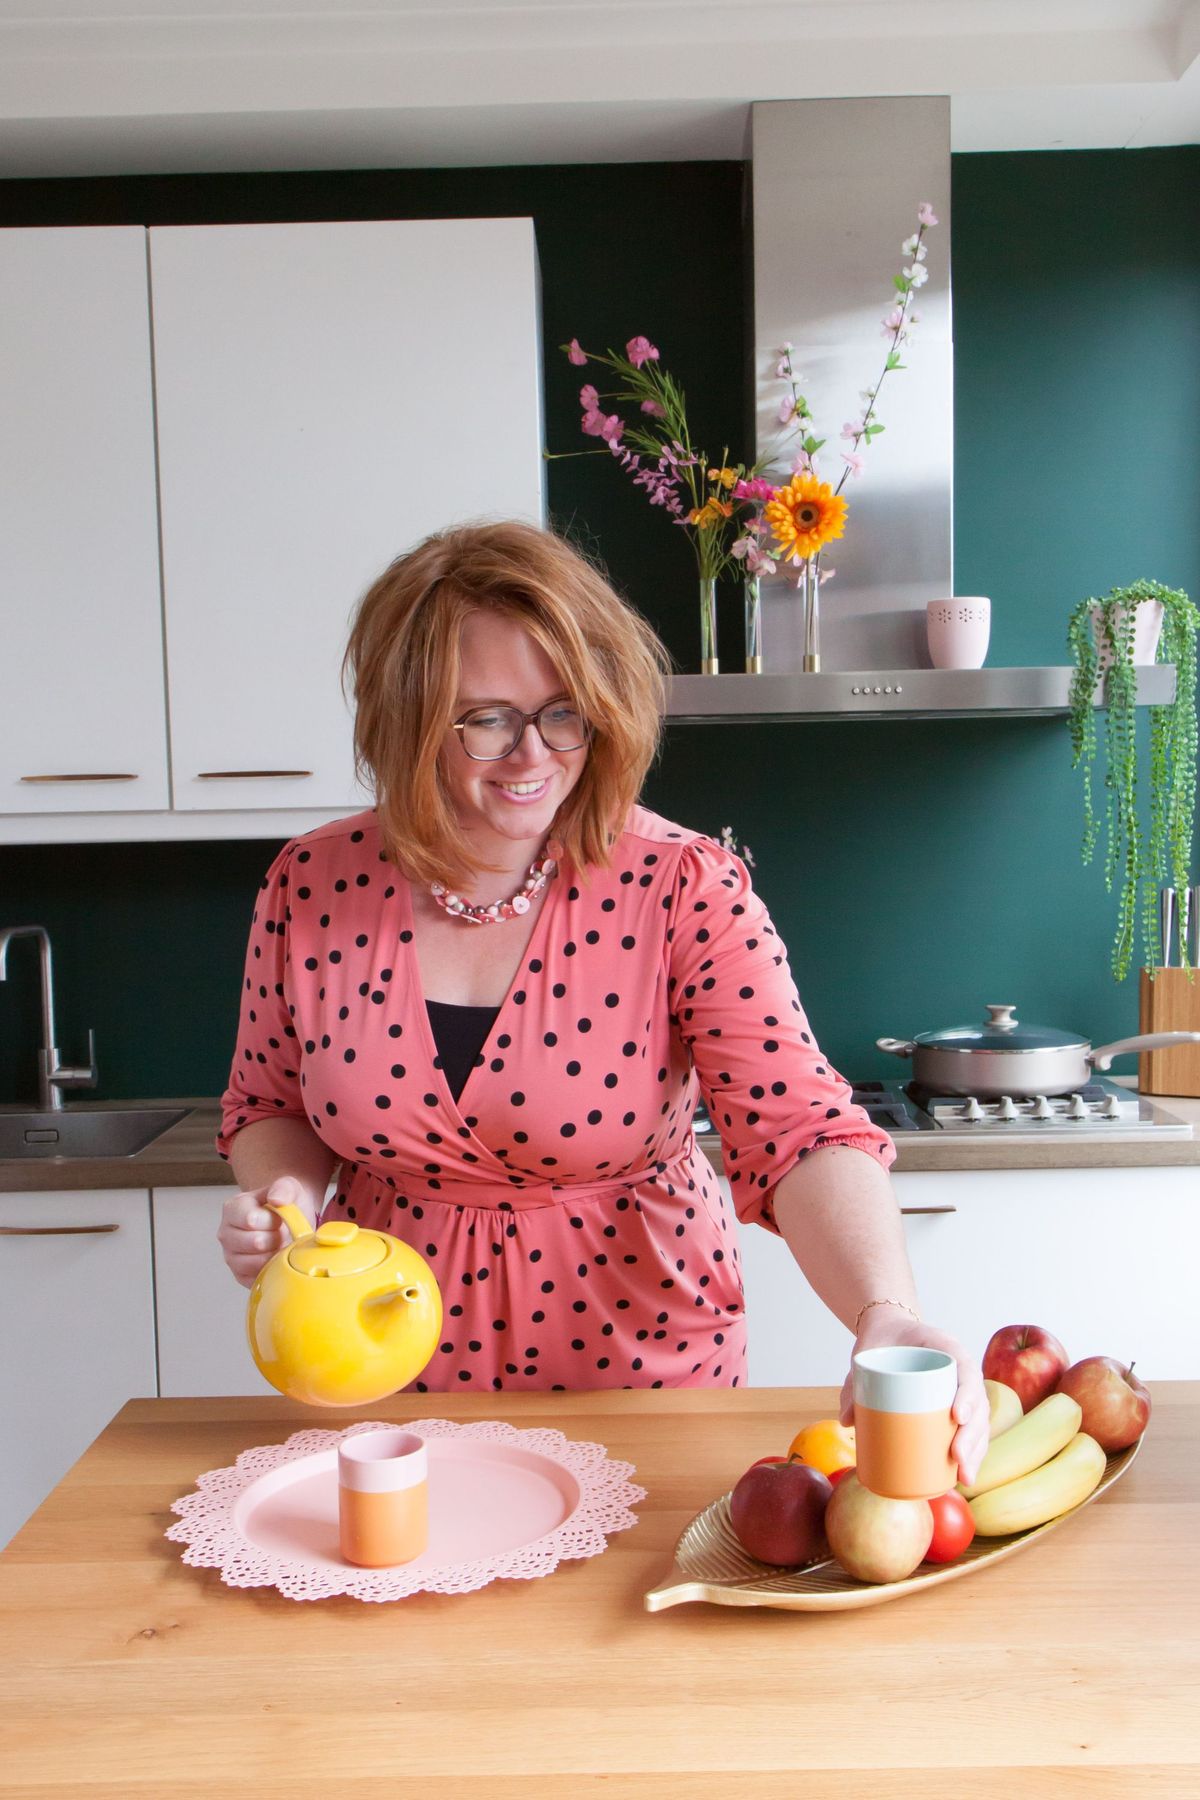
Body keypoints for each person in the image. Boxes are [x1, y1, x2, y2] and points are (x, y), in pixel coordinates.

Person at [217, 520, 986, 1484]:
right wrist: (284, 1195)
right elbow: (273, 1102)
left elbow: (799, 1125)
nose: (532, 753)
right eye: (485, 718)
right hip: (384, 1360)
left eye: (564, 711)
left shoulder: (683, 886)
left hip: (641, 1358)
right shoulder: (310, 885)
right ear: (405, 719)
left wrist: (885, 1308)